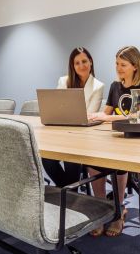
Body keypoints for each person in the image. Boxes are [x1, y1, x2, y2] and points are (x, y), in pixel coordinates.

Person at [88, 45, 140, 237]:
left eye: (123, 64)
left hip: (136, 139)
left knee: (118, 164)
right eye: (117, 64)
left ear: (135, 66)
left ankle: (118, 211)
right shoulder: (115, 86)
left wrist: (109, 119)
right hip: (114, 137)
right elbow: (106, 113)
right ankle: (102, 209)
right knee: (93, 160)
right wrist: (92, 115)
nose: (118, 68)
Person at [42, 47, 104, 187]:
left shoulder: (98, 86)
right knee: (46, 157)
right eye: (77, 63)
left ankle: (69, 194)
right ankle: (69, 191)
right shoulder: (64, 81)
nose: (81, 66)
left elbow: (90, 115)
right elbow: (57, 108)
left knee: (71, 158)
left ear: (91, 62)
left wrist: (68, 115)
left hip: (83, 136)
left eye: (84, 61)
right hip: (61, 133)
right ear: (72, 65)